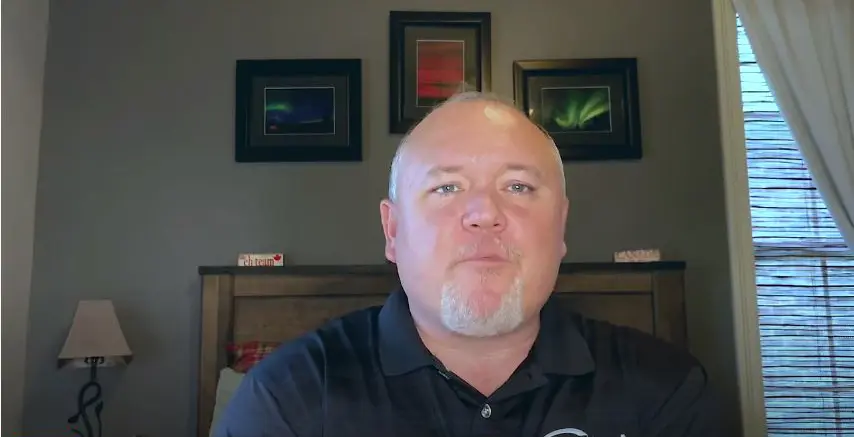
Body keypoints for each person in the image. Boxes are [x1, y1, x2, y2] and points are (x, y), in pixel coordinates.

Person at [213, 91, 720, 437]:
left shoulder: (665, 393)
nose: (484, 215)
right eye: (446, 187)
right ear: (393, 231)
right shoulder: (286, 399)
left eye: (518, 186)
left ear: (560, 227)